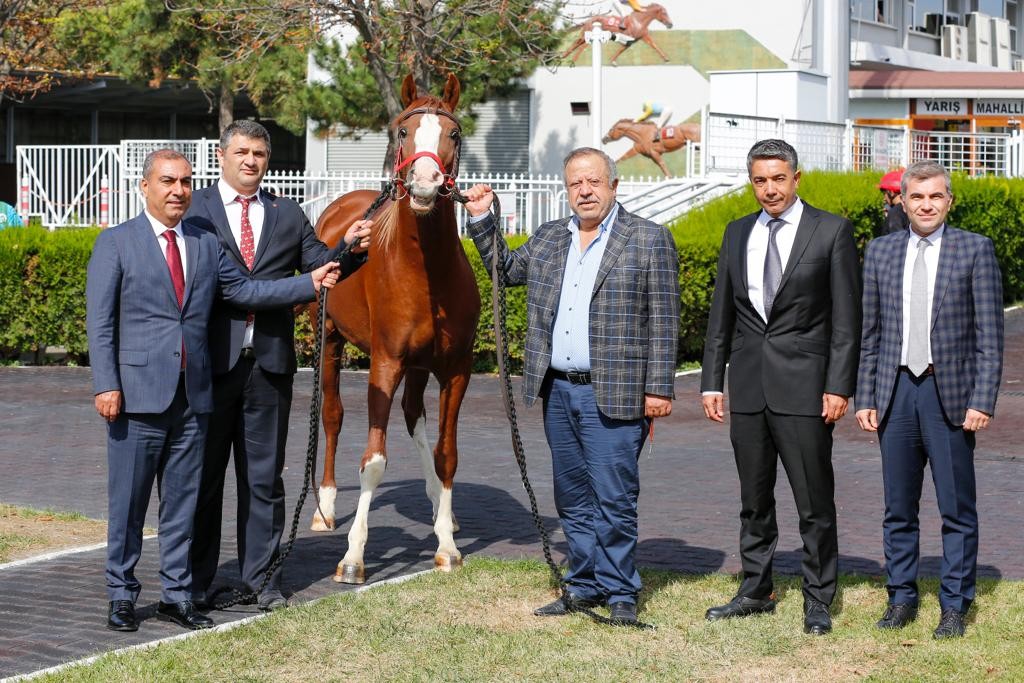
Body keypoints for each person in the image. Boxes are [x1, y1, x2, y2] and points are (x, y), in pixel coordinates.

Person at [86, 149, 342, 633]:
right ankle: (121, 594)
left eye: (184, 182)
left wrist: (308, 282)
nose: (178, 190)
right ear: (145, 187)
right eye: (167, 181)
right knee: (130, 502)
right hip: (136, 396)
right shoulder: (116, 243)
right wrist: (106, 385)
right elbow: (100, 324)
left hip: (193, 397)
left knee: (183, 502)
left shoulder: (203, 244)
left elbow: (246, 292)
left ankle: (177, 594)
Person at [462, 147, 680, 626]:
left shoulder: (647, 239)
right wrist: (481, 218)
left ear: (614, 186)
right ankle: (583, 584)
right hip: (558, 391)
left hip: (618, 390)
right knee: (572, 496)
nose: (584, 191)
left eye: (594, 182)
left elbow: (664, 321)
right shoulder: (548, 238)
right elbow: (505, 271)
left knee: (614, 496)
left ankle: (621, 590)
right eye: (575, 183)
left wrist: (659, 389)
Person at [184, 120, 371, 612]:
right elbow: (220, 284)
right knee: (203, 479)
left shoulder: (288, 214)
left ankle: (261, 581)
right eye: (242, 152)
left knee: (264, 480)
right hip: (209, 365)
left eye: (260, 154)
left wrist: (349, 249)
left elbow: (321, 264)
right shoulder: (195, 210)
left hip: (268, 366)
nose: (251, 161)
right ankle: (197, 582)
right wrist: (310, 281)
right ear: (221, 156)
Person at [700, 139, 862, 635]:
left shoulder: (830, 231)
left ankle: (818, 598)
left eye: (777, 178)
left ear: (796, 178)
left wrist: (838, 385)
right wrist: (711, 381)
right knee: (754, 499)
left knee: (814, 501)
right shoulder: (736, 232)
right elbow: (721, 314)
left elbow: (846, 320)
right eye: (759, 180)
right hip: (748, 387)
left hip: (806, 388)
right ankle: (756, 589)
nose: (768, 189)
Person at [855, 160, 1003, 639]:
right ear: (902, 200)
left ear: (949, 201)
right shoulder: (880, 252)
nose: (926, 205)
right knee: (898, 506)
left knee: (956, 508)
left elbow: (989, 336)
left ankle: (954, 605)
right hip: (895, 393)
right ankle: (900, 597)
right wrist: (865, 394)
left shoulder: (975, 251)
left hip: (951, 396)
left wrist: (982, 400)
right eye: (916, 197)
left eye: (935, 197)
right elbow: (870, 333)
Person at [878, 169, 909, 235]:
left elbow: (897, 239)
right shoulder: (909, 208)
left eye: (884, 193)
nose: (884, 198)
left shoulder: (895, 213)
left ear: (891, 192)